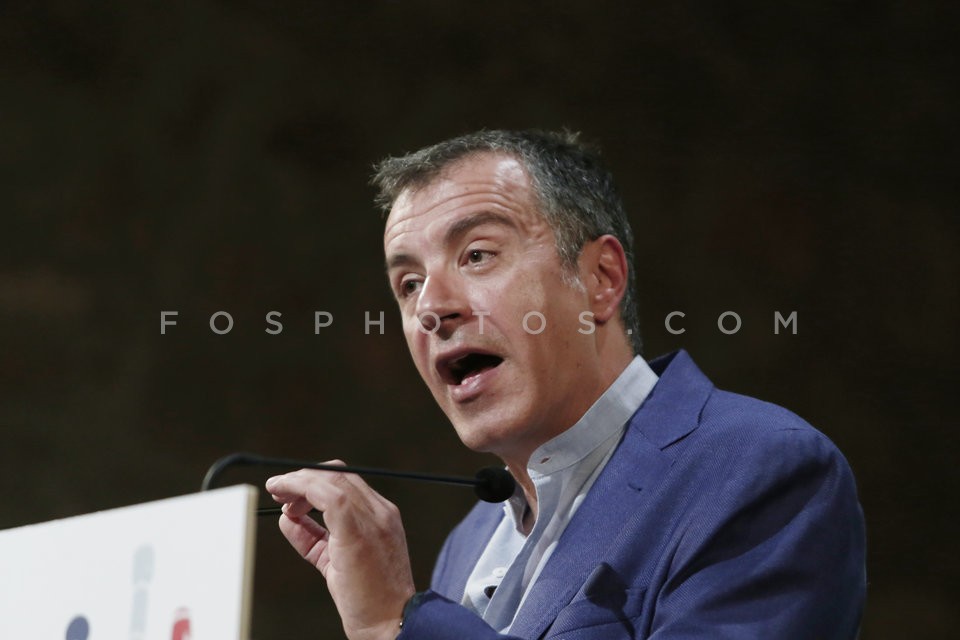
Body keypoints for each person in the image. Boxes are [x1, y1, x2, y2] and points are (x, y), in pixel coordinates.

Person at [265, 130, 866, 639]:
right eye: (409, 284)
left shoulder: (757, 471)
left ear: (601, 279)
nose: (431, 308)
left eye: (476, 255)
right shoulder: (468, 544)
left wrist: (397, 621)